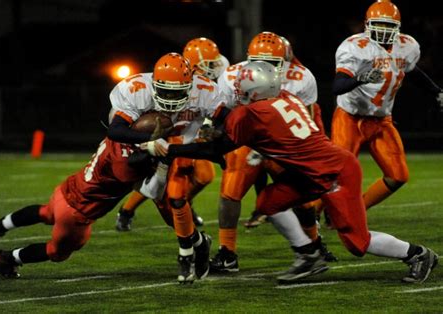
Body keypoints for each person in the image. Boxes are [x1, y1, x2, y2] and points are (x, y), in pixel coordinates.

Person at [147, 61, 439, 283]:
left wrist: (171, 150)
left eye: (243, 92)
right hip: (315, 169)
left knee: (356, 243)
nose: (237, 95)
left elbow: (215, 151)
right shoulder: (286, 96)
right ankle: (308, 254)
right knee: (269, 202)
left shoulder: (252, 114)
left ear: (254, 93)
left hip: (333, 174)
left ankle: (417, 254)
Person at [210, 31, 332, 273]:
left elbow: (305, 120)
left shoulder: (301, 77)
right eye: (259, 61)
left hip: (283, 142)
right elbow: (221, 112)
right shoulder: (232, 74)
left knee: (300, 196)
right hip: (246, 138)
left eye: (272, 62)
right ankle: (227, 253)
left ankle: (314, 244)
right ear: (248, 59)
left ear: (285, 62)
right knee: (230, 193)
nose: (265, 67)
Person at [107, 52, 228, 283]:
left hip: (183, 144)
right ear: (154, 83)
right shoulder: (136, 88)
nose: (171, 97)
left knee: (176, 196)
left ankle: (185, 257)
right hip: (151, 146)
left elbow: (226, 117)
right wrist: (147, 142)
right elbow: (115, 130)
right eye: (166, 90)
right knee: (164, 206)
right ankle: (200, 242)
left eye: (177, 91)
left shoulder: (204, 89)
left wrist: (213, 129)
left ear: (190, 84)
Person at [0, 137, 163, 279]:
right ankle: (6, 259)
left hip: (68, 189)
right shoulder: (125, 167)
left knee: (46, 212)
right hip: (77, 212)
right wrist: (162, 166)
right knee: (57, 252)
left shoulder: (117, 137)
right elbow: (153, 191)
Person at [329, 1, 443, 211]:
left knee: (398, 176)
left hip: (382, 120)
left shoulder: (407, 46)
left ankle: (354, 210)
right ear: (367, 24)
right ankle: (312, 215)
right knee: (335, 174)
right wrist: (360, 78)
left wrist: (436, 91)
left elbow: (413, 72)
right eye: (378, 24)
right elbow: (338, 86)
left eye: (388, 26)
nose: (383, 30)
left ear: (398, 27)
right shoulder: (355, 46)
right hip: (350, 118)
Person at [115, 38, 229, 232]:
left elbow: (214, 109)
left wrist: (211, 126)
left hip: (192, 134)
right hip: (168, 135)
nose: (216, 66)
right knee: (164, 181)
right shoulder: (172, 80)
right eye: (210, 63)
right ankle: (128, 210)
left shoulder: (204, 85)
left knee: (204, 176)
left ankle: (183, 205)